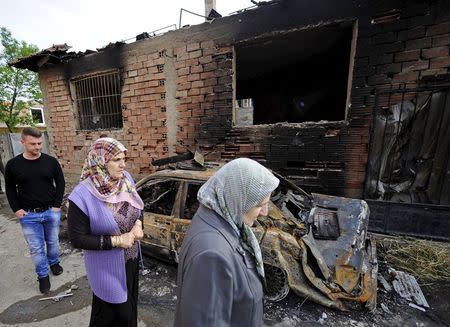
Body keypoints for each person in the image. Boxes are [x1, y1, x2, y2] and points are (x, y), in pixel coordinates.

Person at [174, 158, 280, 327]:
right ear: (239, 199)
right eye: (260, 205)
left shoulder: (222, 217)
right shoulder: (211, 255)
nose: (265, 213)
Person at [67, 137, 144, 327]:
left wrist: (139, 225)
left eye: (124, 159)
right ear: (100, 161)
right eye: (117, 160)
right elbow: (77, 239)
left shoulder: (125, 180)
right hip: (106, 268)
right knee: (113, 315)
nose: (123, 165)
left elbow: (139, 207)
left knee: (130, 309)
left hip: (131, 261)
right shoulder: (81, 195)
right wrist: (117, 241)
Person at [4, 127, 65, 294]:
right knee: (36, 248)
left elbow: (60, 183)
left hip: (50, 211)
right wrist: (16, 209)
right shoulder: (13, 165)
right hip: (28, 214)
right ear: (22, 142)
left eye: (39, 143)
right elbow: (9, 188)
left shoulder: (51, 162)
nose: (37, 147)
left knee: (53, 241)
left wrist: (57, 205)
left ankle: (54, 263)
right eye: (32, 144)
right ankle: (43, 275)